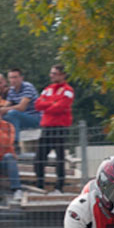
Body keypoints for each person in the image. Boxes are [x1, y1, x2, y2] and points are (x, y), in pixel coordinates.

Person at [34, 64, 75, 195]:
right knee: (39, 158)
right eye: (51, 73)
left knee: (59, 158)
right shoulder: (47, 89)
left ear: (62, 75)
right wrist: (53, 103)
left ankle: (59, 187)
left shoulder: (68, 90)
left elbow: (61, 106)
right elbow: (37, 105)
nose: (51, 76)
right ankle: (40, 185)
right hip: (46, 127)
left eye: (54, 73)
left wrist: (49, 105)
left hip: (60, 127)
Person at [3, 67, 42, 143]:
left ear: (21, 78)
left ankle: (15, 143)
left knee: (12, 113)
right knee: (1, 117)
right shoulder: (11, 90)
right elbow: (6, 106)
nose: (13, 80)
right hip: (23, 118)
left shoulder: (27, 87)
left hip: (35, 118)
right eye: (11, 78)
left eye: (15, 77)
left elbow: (21, 107)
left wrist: (3, 110)